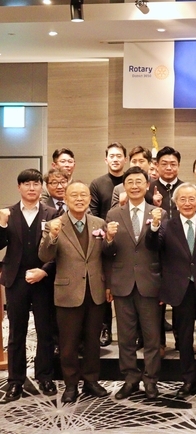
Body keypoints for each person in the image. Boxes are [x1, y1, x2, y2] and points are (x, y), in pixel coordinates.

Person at [145, 183, 196, 398]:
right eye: (182, 199)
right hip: (180, 290)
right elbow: (152, 246)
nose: (187, 203)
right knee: (184, 338)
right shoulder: (166, 226)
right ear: (175, 203)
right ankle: (188, 379)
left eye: (191, 199)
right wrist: (153, 226)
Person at [39, 181, 110, 403]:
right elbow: (44, 256)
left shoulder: (99, 223)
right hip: (68, 291)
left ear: (89, 198)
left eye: (83, 195)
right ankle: (71, 385)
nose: (79, 199)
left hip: (95, 290)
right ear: (66, 199)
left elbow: (106, 256)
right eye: (74, 195)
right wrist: (52, 236)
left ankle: (91, 381)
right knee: (68, 343)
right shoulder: (54, 224)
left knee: (92, 341)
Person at [102, 167, 162, 400]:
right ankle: (130, 378)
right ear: (123, 187)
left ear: (147, 185)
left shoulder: (158, 213)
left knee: (152, 336)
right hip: (122, 283)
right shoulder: (113, 214)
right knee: (125, 337)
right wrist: (108, 239)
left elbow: (163, 251)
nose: (135, 186)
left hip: (150, 282)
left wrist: (164, 286)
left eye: (139, 182)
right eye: (130, 182)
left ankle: (151, 379)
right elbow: (108, 253)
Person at [0, 169, 59, 404]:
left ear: (41, 187)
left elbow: (59, 249)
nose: (31, 188)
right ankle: (15, 381)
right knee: (16, 332)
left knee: (45, 330)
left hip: (43, 279)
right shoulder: (8, 213)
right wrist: (1, 225)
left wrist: (44, 271)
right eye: (26, 184)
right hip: (16, 280)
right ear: (19, 187)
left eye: (35, 183)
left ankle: (45, 377)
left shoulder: (53, 213)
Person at [145, 146, 184, 353]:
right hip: (154, 251)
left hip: (180, 253)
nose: (169, 168)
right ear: (157, 165)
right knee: (156, 301)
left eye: (173, 164)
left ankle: (181, 340)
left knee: (180, 300)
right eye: (164, 164)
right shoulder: (148, 189)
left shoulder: (185, 189)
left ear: (179, 166)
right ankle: (158, 342)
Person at [89, 142, 127, 347]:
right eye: (111, 156)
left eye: (119, 156)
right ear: (106, 159)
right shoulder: (97, 184)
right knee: (104, 285)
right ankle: (105, 327)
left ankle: (130, 330)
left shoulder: (133, 180)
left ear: (125, 159)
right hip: (105, 239)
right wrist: (107, 233)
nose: (115, 159)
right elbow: (93, 213)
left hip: (129, 241)